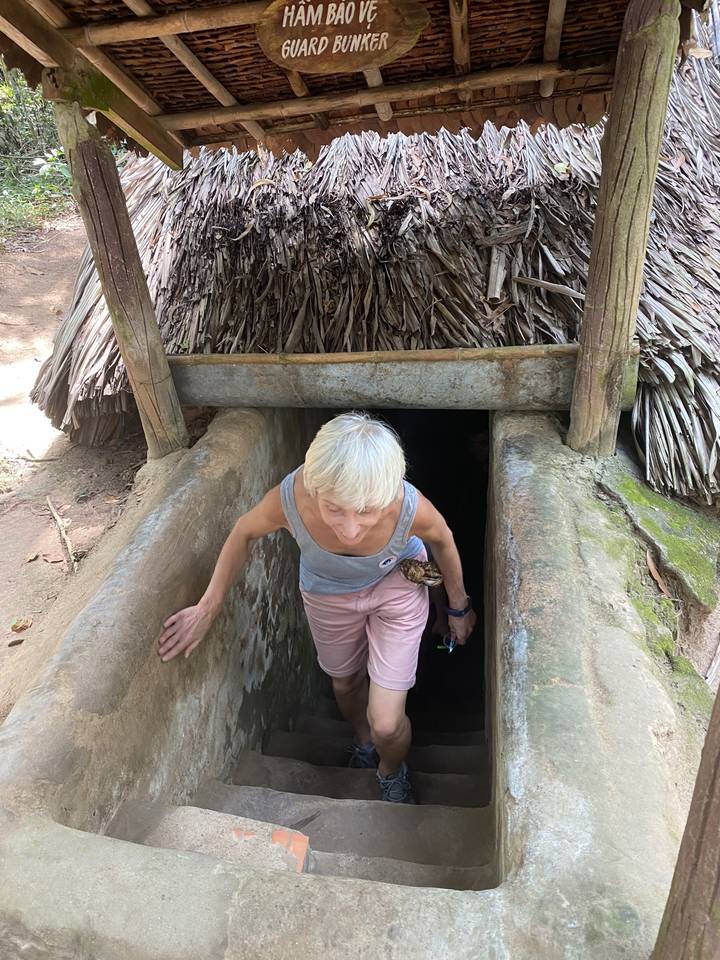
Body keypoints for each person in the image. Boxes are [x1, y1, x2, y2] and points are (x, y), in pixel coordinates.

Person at [157, 412, 476, 803]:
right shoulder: (291, 499)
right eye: (335, 508)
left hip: (396, 588)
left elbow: (442, 540)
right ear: (315, 488)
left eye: (366, 510)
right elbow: (244, 532)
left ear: (389, 493)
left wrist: (459, 608)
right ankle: (362, 741)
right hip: (328, 594)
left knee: (388, 723)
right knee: (344, 684)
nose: (350, 528)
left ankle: (391, 770)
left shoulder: (408, 507)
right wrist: (207, 608)